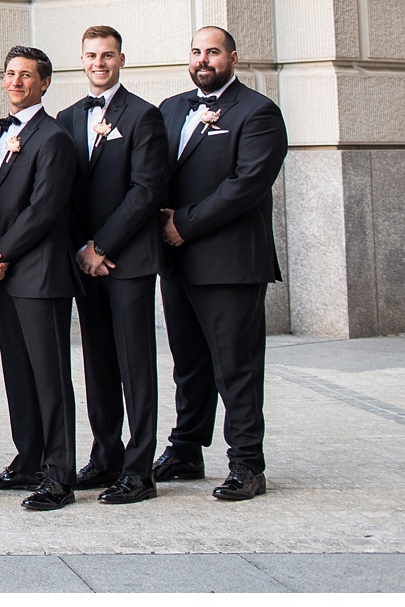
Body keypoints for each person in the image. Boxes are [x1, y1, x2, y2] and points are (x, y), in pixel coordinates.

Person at [154, 26, 289, 502]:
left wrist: (183, 224)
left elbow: (246, 184)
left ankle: (247, 464)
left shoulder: (259, 112)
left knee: (237, 367)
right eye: (196, 51)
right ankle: (187, 450)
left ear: (233, 56)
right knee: (188, 365)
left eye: (213, 51)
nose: (203, 59)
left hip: (231, 263)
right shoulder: (170, 109)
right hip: (177, 261)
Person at [55, 26, 168, 505]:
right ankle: (105, 456)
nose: (98, 63)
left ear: (122, 58)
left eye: (107, 55)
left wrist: (102, 246)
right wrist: (82, 249)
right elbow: (62, 191)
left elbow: (145, 191)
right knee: (97, 363)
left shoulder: (144, 116)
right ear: (81, 60)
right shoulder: (65, 117)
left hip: (128, 260)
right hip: (84, 261)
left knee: (135, 364)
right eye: (91, 56)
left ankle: (139, 468)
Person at [0, 46, 83, 511]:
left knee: (50, 376)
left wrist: (5, 252)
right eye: (10, 73)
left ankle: (60, 476)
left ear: (44, 83)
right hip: (6, 274)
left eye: (26, 76)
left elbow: (45, 209)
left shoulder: (52, 138)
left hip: (40, 275)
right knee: (17, 373)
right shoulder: (1, 137)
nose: (16, 82)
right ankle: (28, 462)